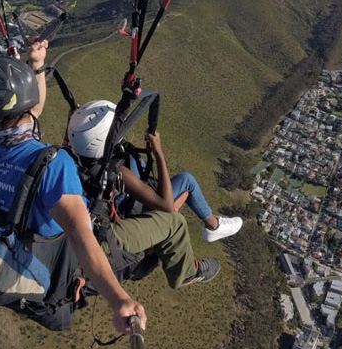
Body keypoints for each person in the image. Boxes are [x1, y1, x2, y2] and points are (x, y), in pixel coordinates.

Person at [0, 41, 218, 335]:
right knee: (173, 222)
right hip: (72, 253)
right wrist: (119, 300)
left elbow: (31, 113)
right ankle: (187, 273)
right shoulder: (54, 166)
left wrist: (36, 67)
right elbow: (81, 236)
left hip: (25, 240)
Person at [67, 100, 243, 243]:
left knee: (137, 161)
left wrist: (73, 122)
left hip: (129, 197)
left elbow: (71, 142)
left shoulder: (77, 158)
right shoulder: (118, 172)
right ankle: (214, 226)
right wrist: (159, 153)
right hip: (140, 210)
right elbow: (165, 205)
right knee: (187, 180)